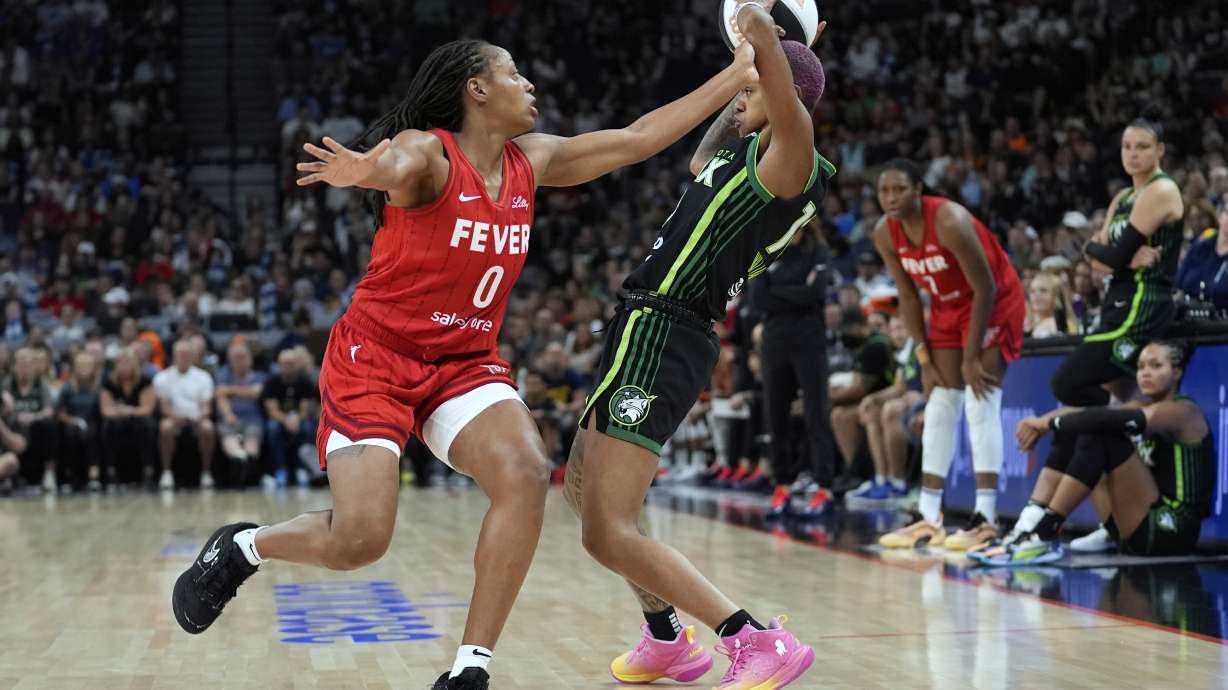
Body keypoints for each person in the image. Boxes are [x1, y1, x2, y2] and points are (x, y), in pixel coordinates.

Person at [172, 37, 757, 690]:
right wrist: (364, 172)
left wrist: (736, 75)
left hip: (462, 363)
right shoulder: (429, 154)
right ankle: (245, 548)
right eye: (514, 73)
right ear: (476, 89)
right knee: (360, 540)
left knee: (527, 472)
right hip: (376, 361)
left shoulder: (533, 159)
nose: (529, 83)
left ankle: (469, 670)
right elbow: (395, 162)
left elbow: (639, 136)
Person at [563, 7, 829, 687]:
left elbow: (789, 106)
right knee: (579, 487)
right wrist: (751, 70)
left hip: (667, 329)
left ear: (780, 96)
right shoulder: (735, 158)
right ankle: (664, 635)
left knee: (606, 530)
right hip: (642, 325)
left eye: (749, 93)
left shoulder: (792, 161)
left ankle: (753, 638)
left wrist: (769, 37)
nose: (738, 101)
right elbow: (698, 155)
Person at [1001, 114, 1185, 545]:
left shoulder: (1162, 190)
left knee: (1068, 382)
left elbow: (1112, 255)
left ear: (1160, 151)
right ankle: (1048, 522)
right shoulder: (1124, 195)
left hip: (1142, 307)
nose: (1134, 154)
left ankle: (1042, 526)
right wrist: (1107, 252)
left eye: (1143, 146)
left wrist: (1112, 254)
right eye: (1127, 147)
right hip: (1115, 305)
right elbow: (1099, 257)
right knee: (1087, 421)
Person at [872, 158, 1026, 552]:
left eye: (899, 189)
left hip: (994, 301)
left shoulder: (950, 221)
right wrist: (923, 359)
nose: (890, 197)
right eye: (884, 190)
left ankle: (986, 518)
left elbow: (986, 288)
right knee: (939, 403)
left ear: (918, 190)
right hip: (946, 308)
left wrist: (971, 357)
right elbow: (907, 296)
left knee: (980, 401)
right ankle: (928, 517)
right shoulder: (885, 234)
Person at [973, 341, 1214, 565]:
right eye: (1140, 367)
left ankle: (1044, 533)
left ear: (1177, 373)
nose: (1145, 373)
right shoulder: (1143, 404)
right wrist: (1040, 421)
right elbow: (1089, 411)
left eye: (1156, 365)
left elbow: (1111, 417)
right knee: (1079, 426)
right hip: (1135, 525)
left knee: (1100, 432)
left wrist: (1050, 425)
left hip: (1171, 531)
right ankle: (1028, 525)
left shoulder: (1183, 411)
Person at [752, 220, 835, 519]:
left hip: (810, 342)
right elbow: (757, 298)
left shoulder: (819, 252)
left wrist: (780, 294)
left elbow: (817, 293)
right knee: (775, 416)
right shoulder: (764, 254)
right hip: (775, 344)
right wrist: (798, 291)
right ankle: (782, 486)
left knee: (817, 414)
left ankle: (824, 488)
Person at [855, 314, 924, 500]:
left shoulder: (920, 347)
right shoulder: (904, 354)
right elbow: (899, 388)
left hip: (924, 404)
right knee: (872, 410)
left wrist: (922, 398)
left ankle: (898, 481)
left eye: (901, 328)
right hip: (909, 402)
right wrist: (872, 398)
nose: (897, 334)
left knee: (891, 409)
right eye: (893, 330)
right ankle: (881, 478)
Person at [99, 347, 157, 486]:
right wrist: (119, 412)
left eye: (128, 363)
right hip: (118, 421)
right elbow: (105, 410)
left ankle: (148, 469)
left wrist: (129, 410)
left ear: (135, 365)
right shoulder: (108, 382)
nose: (124, 367)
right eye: (121, 363)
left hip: (137, 419)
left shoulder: (145, 381)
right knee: (109, 425)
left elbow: (147, 409)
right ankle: (111, 470)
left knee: (146, 424)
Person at [1176, 207, 1228, 310]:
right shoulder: (1200, 246)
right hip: (1188, 317)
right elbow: (1179, 282)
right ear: (1220, 216)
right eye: (1227, 213)